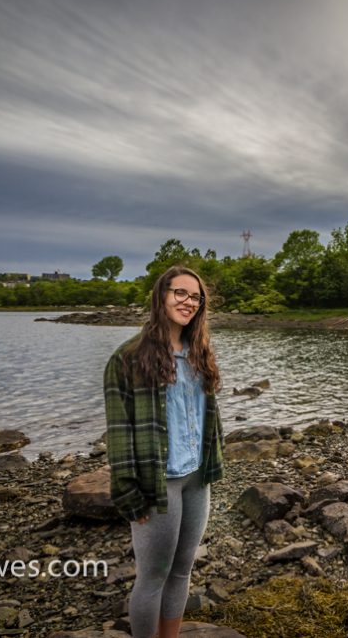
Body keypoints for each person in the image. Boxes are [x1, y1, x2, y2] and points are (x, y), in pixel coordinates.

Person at [104, 265, 224, 638]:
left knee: (182, 570)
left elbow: (208, 417)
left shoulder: (199, 352)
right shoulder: (127, 358)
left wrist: (214, 461)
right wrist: (127, 491)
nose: (188, 302)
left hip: (197, 479)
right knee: (153, 576)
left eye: (195, 297)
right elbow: (119, 431)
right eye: (180, 293)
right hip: (159, 483)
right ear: (161, 296)